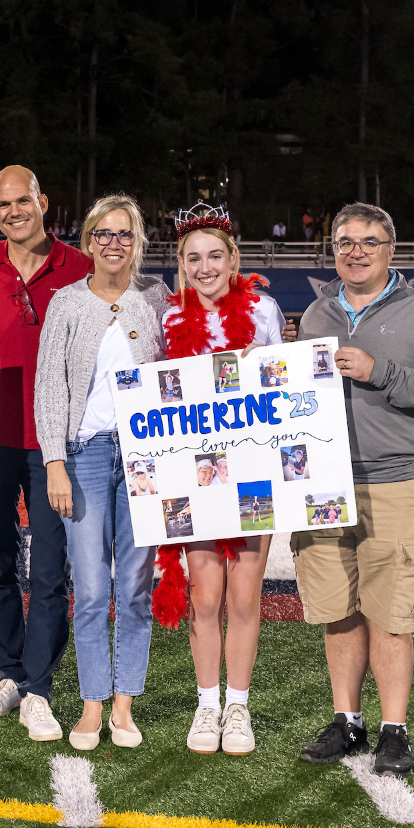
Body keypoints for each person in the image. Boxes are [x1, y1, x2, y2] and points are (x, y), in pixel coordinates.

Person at [292, 201, 414, 778]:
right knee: (337, 610)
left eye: (369, 242)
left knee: (391, 613)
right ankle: (347, 721)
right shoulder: (316, 314)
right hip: (322, 481)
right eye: (345, 242)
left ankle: (394, 730)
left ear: (391, 250)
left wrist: (380, 372)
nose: (356, 251)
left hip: (395, 478)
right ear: (333, 251)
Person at [0, 166, 93, 741]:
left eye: (23, 200)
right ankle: (10, 674)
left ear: (43, 202)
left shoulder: (82, 266)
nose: (14, 211)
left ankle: (39, 686)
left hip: (55, 443)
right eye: (3, 204)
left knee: (49, 571)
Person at [152, 202, 291, 756]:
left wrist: (267, 364)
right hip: (195, 473)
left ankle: (238, 706)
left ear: (233, 258)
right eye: (193, 258)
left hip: (253, 473)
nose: (205, 267)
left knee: (244, 597)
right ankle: (207, 704)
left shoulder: (263, 310)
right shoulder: (168, 317)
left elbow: (286, 390)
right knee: (205, 595)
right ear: (181, 263)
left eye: (215, 256)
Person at [34, 193, 170, 750]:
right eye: (104, 234)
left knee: (135, 589)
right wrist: (55, 463)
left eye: (125, 234)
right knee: (90, 590)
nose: (114, 243)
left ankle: (123, 706)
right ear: (89, 242)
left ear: (138, 242)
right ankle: (92, 703)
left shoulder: (156, 301)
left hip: (145, 458)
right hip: (85, 455)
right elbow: (49, 387)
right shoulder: (66, 302)